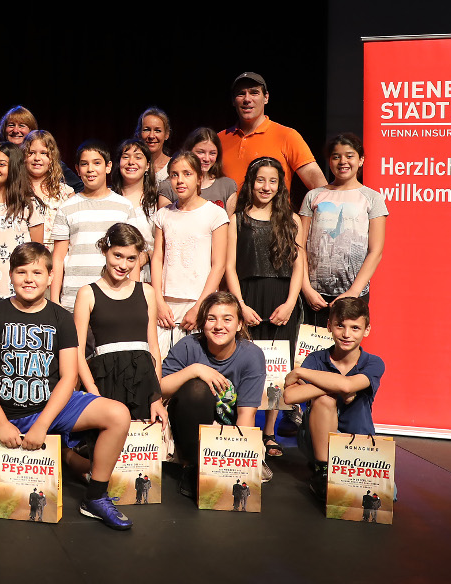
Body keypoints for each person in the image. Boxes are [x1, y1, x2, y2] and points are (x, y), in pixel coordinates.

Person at [0, 242, 134, 530]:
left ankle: (95, 497)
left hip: (53, 408)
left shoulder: (60, 318)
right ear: (10, 275)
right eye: (21, 272)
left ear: (50, 277)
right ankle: (70, 460)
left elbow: (69, 376)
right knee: (18, 504)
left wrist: (43, 424)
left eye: (37, 272)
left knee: (118, 414)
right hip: (12, 414)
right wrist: (1, 423)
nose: (29, 279)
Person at [225, 156, 304, 457]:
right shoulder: (237, 219)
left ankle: (269, 432)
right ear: (250, 181)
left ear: (280, 185)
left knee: (276, 368)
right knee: (242, 364)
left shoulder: (291, 220)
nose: (266, 186)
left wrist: (289, 303)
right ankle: (239, 426)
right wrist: (240, 306)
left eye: (272, 181)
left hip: (281, 301)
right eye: (260, 180)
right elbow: (230, 267)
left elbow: (299, 267)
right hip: (247, 298)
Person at [159, 292, 265, 499]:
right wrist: (194, 369)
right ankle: (190, 465)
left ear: (240, 324)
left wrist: (237, 460)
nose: (219, 326)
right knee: (197, 389)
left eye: (227, 319)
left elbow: (246, 415)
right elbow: (160, 388)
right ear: (202, 323)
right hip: (188, 429)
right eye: (211, 319)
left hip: (228, 432)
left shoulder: (252, 355)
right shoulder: (189, 346)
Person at [283, 297, 384, 499]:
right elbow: (289, 395)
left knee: (384, 495)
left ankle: (339, 470)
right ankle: (322, 471)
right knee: (324, 400)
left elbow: (347, 384)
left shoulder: (374, 363)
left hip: (358, 441)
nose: (346, 334)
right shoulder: (316, 358)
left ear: (367, 330)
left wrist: (303, 373)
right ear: (329, 326)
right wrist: (333, 389)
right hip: (317, 441)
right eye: (340, 326)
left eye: (355, 328)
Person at [73, 224, 167, 425]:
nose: (123, 265)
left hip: (142, 381)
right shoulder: (87, 293)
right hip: (105, 381)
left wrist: (156, 396)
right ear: (105, 250)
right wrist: (93, 394)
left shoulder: (147, 292)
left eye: (131, 258)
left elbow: (153, 348)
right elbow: (78, 351)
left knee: (141, 449)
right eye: (118, 255)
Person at [299, 134, 388, 327]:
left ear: (361, 159)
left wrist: (354, 292)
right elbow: (300, 246)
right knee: (310, 353)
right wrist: (306, 288)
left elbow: (376, 251)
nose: (343, 161)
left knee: (346, 348)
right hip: (314, 297)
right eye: (336, 156)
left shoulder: (372, 198)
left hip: (353, 294)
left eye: (349, 155)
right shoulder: (314, 196)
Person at [151, 151, 229, 357]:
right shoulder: (163, 214)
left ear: (199, 178)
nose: (180, 180)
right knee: (161, 364)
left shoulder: (215, 214)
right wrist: (158, 301)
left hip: (198, 302)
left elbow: (219, 264)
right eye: (174, 175)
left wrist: (199, 307)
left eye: (187, 174)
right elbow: (157, 258)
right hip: (166, 306)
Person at [50, 141, 139, 311]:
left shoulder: (124, 206)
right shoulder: (66, 207)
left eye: (97, 163)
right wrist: (55, 300)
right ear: (77, 169)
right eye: (84, 164)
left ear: (108, 166)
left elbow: (132, 253)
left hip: (115, 296)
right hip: (73, 298)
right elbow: (58, 258)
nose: (90, 169)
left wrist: (135, 297)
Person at [218, 72, 326, 191]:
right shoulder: (219, 139)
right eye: (241, 94)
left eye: (254, 93)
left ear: (266, 98)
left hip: (275, 210)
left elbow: (319, 186)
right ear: (233, 100)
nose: (247, 99)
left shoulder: (287, 136)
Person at [0, 142, 44, 302]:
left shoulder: (29, 204)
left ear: (13, 167)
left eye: (1, 164)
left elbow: (37, 250)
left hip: (20, 289)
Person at [110, 138, 169, 282]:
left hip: (147, 276)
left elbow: (165, 243)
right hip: (111, 275)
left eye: (138, 157)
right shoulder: (109, 198)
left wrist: (147, 255)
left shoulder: (157, 201)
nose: (131, 162)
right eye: (126, 157)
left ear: (148, 165)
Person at [0, 107, 82, 192]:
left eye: (21, 126)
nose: (15, 130)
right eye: (11, 125)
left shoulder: (48, 161)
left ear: (31, 130)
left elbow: (79, 187)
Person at [159, 127, 239, 211]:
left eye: (212, 153)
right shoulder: (170, 186)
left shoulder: (227, 186)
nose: (207, 159)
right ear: (189, 152)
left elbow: (229, 222)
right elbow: (165, 220)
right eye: (201, 152)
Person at [24, 130, 78, 246]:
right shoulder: (17, 190)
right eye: (31, 152)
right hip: (26, 257)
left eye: (44, 153)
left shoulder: (66, 193)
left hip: (58, 257)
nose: (37, 158)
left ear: (52, 158)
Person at [135, 107, 174, 182]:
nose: (151, 136)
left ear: (166, 134)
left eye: (157, 131)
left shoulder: (174, 166)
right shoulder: (133, 166)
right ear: (139, 134)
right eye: (147, 130)